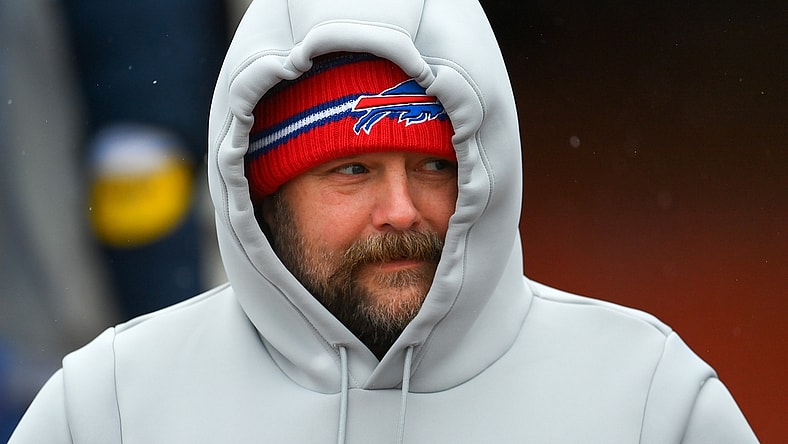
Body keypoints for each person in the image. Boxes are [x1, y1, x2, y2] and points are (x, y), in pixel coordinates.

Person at [9, 0, 758, 442]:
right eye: (352, 170)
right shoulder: (108, 411)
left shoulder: (648, 405)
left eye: (434, 166)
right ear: (262, 193)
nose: (401, 211)